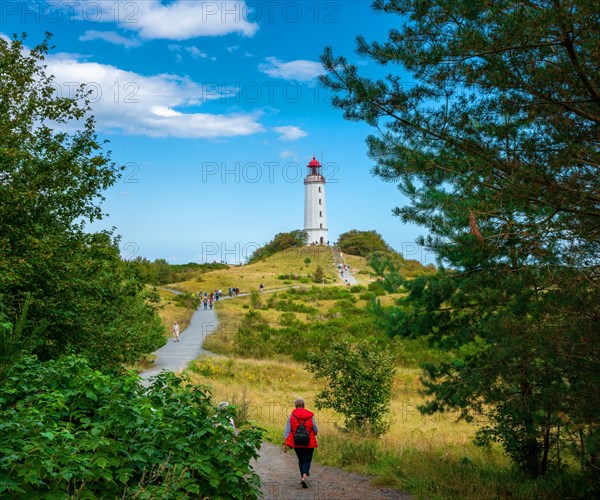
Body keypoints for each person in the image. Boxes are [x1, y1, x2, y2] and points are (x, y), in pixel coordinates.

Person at [283, 397, 318, 489]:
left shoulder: (292, 416)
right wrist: (315, 433)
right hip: (309, 442)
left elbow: (287, 431)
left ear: (295, 406)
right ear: (304, 405)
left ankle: (303, 476)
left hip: (296, 442)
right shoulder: (310, 416)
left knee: (301, 459)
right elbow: (315, 429)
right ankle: (304, 476)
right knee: (307, 459)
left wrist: (285, 442)